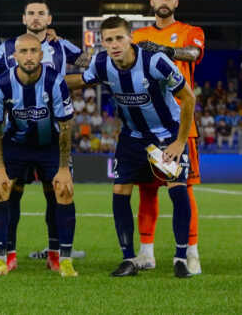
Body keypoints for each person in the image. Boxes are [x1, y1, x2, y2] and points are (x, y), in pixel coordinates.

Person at [66, 16, 196, 278]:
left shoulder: (155, 61)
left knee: (177, 189)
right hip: (131, 137)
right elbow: (81, 80)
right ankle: (128, 259)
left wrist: (180, 141)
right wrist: (45, 79)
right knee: (120, 191)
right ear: (103, 43)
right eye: (108, 40)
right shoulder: (102, 63)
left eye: (119, 38)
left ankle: (182, 258)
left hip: (165, 135)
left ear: (130, 39)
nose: (114, 44)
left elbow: (188, 97)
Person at [0, 0, 88, 267]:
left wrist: (66, 84)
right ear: (24, 19)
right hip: (18, 137)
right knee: (10, 192)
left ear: (49, 19)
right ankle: (6, 254)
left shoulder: (61, 45)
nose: (36, 18)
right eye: (31, 14)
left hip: (52, 134)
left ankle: (56, 254)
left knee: (55, 192)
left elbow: (91, 65)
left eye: (41, 14)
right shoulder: (8, 48)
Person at [0, 34, 77, 277]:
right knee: (1, 190)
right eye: (23, 51)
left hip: (50, 145)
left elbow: (66, 126)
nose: (28, 56)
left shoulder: (55, 82)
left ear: (41, 54)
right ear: (14, 56)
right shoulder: (2, 84)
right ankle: (3, 258)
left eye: (33, 51)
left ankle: (61, 259)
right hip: (16, 145)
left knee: (62, 191)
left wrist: (64, 168)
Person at [132, 0, 206, 275]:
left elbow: (193, 53)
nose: (164, 0)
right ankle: (146, 253)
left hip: (180, 125)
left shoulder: (191, 32)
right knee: (147, 190)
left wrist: (163, 50)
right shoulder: (137, 35)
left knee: (184, 190)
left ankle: (192, 254)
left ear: (176, 3)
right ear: (151, 1)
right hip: (146, 125)